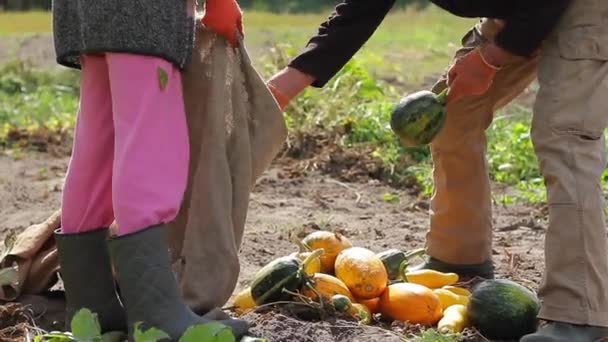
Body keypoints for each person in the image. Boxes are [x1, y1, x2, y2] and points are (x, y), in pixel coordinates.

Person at [267, 0, 608, 340]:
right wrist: (284, 86)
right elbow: (362, 8)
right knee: (453, 115)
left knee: (564, 139)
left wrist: (491, 58)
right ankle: (459, 260)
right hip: (520, 10)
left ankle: (581, 315)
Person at [51, 0, 249, 340]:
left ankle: (90, 313)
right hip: (143, 12)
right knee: (151, 142)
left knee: (98, 143)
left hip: (85, 11)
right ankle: (155, 318)